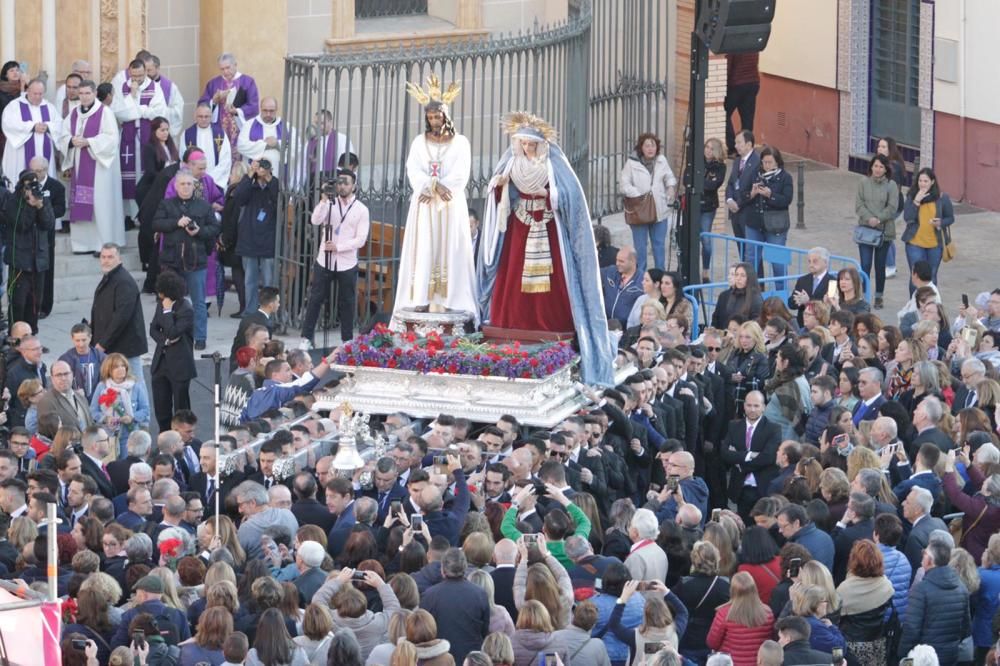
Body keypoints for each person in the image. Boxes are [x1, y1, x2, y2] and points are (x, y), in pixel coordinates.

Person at [477, 111, 613, 384]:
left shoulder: (554, 164)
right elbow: (496, 192)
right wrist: (500, 187)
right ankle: (511, 324)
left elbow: (572, 196)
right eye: (523, 143)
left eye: (532, 144)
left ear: (541, 144)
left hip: (549, 227)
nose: (527, 148)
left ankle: (555, 326)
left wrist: (549, 195)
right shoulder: (511, 163)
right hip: (519, 226)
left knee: (554, 282)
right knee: (512, 275)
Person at [392, 75, 476, 319]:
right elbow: (412, 169)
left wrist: (441, 188)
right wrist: (430, 186)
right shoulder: (419, 142)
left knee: (449, 248)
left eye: (437, 116)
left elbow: (462, 172)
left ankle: (451, 298)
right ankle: (421, 298)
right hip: (425, 204)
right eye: (430, 117)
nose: (434, 120)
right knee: (425, 248)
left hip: (450, 205)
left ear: (446, 115)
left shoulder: (460, 142)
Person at [299, 169, 369, 346]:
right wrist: (323, 199)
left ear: (354, 186)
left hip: (346, 262)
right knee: (315, 298)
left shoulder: (361, 209)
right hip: (325, 260)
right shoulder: (329, 203)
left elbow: (360, 239)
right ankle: (307, 337)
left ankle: (346, 340)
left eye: (346, 183)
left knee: (347, 301)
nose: (342, 186)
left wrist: (339, 248)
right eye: (340, 183)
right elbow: (315, 220)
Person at [152, 169, 220, 350]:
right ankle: (169, 333)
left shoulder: (204, 206)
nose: (186, 187)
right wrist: (176, 222)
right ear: (176, 186)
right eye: (182, 184)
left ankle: (200, 337)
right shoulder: (166, 204)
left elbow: (214, 228)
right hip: (172, 260)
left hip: (197, 260)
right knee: (168, 300)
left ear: (194, 185)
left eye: (189, 183)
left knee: (199, 302)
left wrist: (199, 231)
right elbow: (156, 223)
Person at [57, 78, 124, 254]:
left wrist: (89, 142)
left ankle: (104, 244)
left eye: (88, 93)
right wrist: (71, 141)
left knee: (100, 204)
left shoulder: (105, 113)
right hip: (80, 165)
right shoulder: (73, 113)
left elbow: (111, 139)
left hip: (100, 167)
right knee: (82, 201)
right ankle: (82, 244)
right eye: (81, 93)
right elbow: (62, 136)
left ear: (94, 93)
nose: (84, 97)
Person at [897, 536, 971, 664]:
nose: (921, 558)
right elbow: (966, 629)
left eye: (924, 554)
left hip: (925, 658)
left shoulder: (921, 590)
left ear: (930, 561)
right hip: (950, 655)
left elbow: (911, 629)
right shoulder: (961, 587)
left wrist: (903, 655)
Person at [112, 59, 168, 214]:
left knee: (146, 172)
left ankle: (145, 211)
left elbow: (159, 112)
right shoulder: (123, 87)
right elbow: (118, 113)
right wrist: (132, 96)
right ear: (129, 72)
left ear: (145, 72)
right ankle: (130, 214)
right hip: (128, 139)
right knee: (128, 175)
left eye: (140, 75)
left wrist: (139, 110)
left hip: (148, 136)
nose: (136, 79)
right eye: (134, 75)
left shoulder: (155, 88)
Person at [2, 169, 55, 332]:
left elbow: (48, 224)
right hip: (19, 261)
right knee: (17, 303)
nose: (31, 189)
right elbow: (21, 224)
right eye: (28, 186)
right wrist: (30, 205)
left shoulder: (41, 200)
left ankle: (31, 338)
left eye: (34, 184)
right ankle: (15, 339)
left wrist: (39, 205)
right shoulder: (13, 201)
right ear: (21, 187)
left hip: (38, 262)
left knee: (35, 303)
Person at [619, 132, 677, 274]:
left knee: (659, 246)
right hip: (640, 210)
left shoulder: (661, 160)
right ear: (641, 148)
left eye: (653, 145)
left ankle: (660, 277)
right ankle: (640, 278)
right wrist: (639, 194)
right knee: (640, 248)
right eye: (647, 146)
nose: (650, 149)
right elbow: (624, 184)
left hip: (659, 210)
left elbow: (669, 177)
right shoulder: (631, 163)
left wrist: (670, 188)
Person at [420, 547, 491, 663]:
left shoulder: (429, 596)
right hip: (470, 659)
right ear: (465, 567)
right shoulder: (480, 594)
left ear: (443, 570)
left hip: (439, 660)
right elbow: (484, 630)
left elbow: (424, 633)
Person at [91, 243, 147, 381]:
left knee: (135, 385)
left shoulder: (123, 282)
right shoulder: (110, 277)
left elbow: (121, 317)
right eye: (103, 257)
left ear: (119, 259)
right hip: (115, 345)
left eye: (110, 257)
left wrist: (103, 343)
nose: (106, 260)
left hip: (126, 347)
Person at [148, 271, 196, 432]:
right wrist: (165, 341)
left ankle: (183, 437)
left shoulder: (186, 309)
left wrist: (168, 312)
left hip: (180, 365)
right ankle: (164, 437)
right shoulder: (160, 305)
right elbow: (153, 329)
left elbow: (173, 332)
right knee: (161, 407)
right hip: (161, 363)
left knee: (181, 409)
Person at [835, 539, 894, 665]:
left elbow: (836, 619)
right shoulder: (886, 585)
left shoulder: (844, 589)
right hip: (878, 643)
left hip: (852, 647)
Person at [234, 159, 280, 316]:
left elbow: (280, 199)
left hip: (268, 239)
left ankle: (269, 313)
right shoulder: (250, 185)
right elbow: (239, 197)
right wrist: (250, 175)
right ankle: (250, 312)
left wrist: (269, 179)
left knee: (269, 282)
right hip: (249, 239)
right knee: (250, 281)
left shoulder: (274, 184)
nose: (262, 169)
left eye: (265, 167)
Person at [744, 145, 793, 288]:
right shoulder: (754, 173)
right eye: (764, 162)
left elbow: (786, 200)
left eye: (770, 162)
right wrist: (752, 194)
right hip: (754, 223)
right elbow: (743, 194)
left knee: (778, 262)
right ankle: (751, 294)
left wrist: (770, 195)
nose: (766, 165)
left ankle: (781, 294)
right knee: (751, 260)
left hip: (775, 225)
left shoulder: (785, 177)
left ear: (777, 162)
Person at [854, 154, 899, 310]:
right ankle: (864, 295)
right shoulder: (863, 183)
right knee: (865, 265)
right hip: (866, 230)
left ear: (886, 169)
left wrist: (878, 219)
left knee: (880, 266)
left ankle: (879, 296)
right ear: (871, 167)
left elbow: (892, 207)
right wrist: (869, 219)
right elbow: (859, 205)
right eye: (875, 166)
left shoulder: (891, 185)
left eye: (881, 166)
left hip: (883, 232)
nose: (878, 169)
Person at [706, 571, 774, 666]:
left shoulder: (724, 613)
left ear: (732, 591)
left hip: (731, 663)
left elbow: (712, 643)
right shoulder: (768, 613)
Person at [198, 52, 260, 156]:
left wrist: (237, 111)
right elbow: (202, 105)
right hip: (219, 129)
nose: (225, 72)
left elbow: (253, 105)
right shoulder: (213, 83)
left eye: (228, 67)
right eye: (222, 69)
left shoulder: (247, 82)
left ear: (235, 65)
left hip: (240, 129)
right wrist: (213, 101)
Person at [89, 353, 150, 458]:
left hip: (129, 436)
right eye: (116, 367)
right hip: (108, 436)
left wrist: (132, 417)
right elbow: (93, 410)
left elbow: (145, 410)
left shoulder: (135, 386)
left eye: (123, 366)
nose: (121, 369)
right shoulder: (102, 386)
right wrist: (105, 418)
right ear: (109, 370)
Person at [902, 167, 955, 287]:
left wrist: (940, 223)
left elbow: (950, 218)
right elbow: (907, 217)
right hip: (915, 243)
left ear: (932, 182)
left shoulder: (942, 198)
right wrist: (916, 201)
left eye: (925, 181)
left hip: (935, 245)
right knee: (916, 276)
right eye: (920, 181)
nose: (922, 184)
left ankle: (930, 304)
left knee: (931, 276)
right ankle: (915, 304)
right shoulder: (912, 196)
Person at [1, 78, 61, 183]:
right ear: (28, 90)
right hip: (20, 153)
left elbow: (60, 124)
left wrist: (48, 127)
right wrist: (32, 127)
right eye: (35, 93)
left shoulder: (49, 107)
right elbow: (8, 124)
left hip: (44, 152)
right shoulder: (14, 106)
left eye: (40, 94)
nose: (38, 97)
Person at [29, 156, 65, 318]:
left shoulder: (56, 186)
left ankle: (44, 306)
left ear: (46, 169)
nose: (36, 174)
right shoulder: (26, 185)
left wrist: (44, 212)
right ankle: (30, 306)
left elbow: (61, 209)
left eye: (40, 171)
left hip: (46, 236)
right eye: (34, 171)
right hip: (29, 235)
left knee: (46, 272)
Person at [876, 137, 907, 278]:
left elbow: (894, 190)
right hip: (884, 206)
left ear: (890, 150)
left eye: (883, 147)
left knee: (883, 235)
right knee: (887, 235)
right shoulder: (882, 164)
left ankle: (889, 265)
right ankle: (890, 265)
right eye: (879, 146)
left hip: (891, 207)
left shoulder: (893, 167)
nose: (880, 149)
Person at [724, 130, 760, 248]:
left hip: (748, 213)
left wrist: (738, 204)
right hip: (735, 214)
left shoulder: (757, 162)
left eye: (739, 143)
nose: (735, 146)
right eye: (735, 143)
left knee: (751, 252)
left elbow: (755, 189)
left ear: (749, 144)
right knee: (741, 248)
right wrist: (729, 200)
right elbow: (730, 183)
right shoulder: (737, 161)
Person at [699, 137, 728, 281]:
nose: (708, 151)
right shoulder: (697, 160)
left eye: (712, 149)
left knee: (705, 239)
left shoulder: (720, 167)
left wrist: (698, 181)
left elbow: (713, 186)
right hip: (693, 204)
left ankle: (705, 270)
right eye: (707, 147)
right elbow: (687, 179)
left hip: (708, 207)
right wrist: (704, 183)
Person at [183, 102, 232, 187]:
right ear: (195, 117)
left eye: (206, 116)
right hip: (194, 182)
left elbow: (226, 160)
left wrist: (209, 179)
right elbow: (183, 159)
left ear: (211, 117)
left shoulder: (220, 133)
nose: (204, 119)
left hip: (215, 182)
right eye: (200, 116)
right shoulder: (187, 134)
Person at [134, 116, 178, 210]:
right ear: (154, 131)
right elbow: (150, 172)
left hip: (168, 187)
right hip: (150, 189)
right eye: (162, 130)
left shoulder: (171, 146)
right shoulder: (150, 148)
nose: (166, 132)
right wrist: (168, 178)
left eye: (167, 129)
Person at [236, 97, 287, 172]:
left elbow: (296, 148)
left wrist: (277, 144)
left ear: (276, 110)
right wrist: (265, 145)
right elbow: (241, 146)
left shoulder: (286, 127)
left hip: (279, 174)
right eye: (265, 110)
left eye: (271, 111)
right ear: (260, 109)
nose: (268, 114)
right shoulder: (249, 125)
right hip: (254, 175)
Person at [724, 53, 760, 157]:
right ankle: (747, 149)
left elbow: (728, 67)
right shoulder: (754, 43)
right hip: (753, 82)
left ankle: (732, 147)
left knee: (724, 113)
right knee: (747, 118)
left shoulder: (734, 44)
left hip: (736, 84)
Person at [711, 263, 762, 330]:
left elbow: (755, 325)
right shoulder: (726, 295)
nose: (738, 278)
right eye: (736, 275)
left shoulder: (756, 299)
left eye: (743, 276)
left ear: (750, 278)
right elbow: (716, 318)